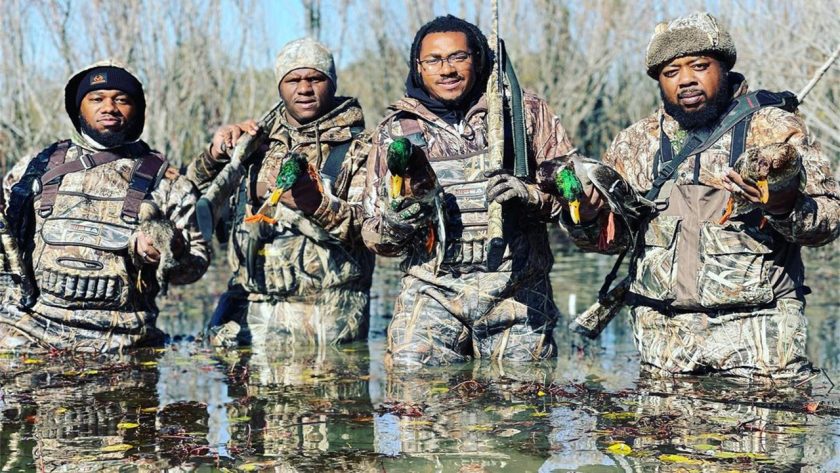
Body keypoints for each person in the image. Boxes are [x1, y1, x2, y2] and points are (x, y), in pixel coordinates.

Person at [562, 12, 840, 381]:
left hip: (760, 336)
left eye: (699, 65)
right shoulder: (635, 141)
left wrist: (782, 206)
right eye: (670, 72)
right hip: (663, 339)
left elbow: (828, 222)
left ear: (723, 67)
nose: (686, 80)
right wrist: (585, 216)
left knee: (768, 437)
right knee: (658, 436)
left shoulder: (774, 127)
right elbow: (609, 243)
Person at [362, 15, 576, 366]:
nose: (446, 69)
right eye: (434, 60)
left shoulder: (523, 113)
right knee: (419, 403)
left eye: (458, 57)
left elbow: (577, 207)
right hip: (431, 294)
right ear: (418, 66)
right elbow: (373, 237)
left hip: (517, 291)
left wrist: (532, 196)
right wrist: (397, 222)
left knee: (523, 410)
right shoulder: (394, 131)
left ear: (478, 58)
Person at [0, 60, 210, 353]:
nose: (109, 107)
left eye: (121, 100)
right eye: (96, 98)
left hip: (122, 344)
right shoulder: (37, 166)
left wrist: (167, 253)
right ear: (79, 109)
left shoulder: (166, 180)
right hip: (28, 337)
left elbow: (196, 265)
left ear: (137, 110)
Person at [187, 38, 374, 347]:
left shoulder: (361, 148)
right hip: (249, 313)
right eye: (293, 80)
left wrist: (316, 204)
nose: (304, 88)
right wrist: (216, 154)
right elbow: (190, 191)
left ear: (332, 83)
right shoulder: (255, 143)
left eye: (315, 78)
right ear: (279, 86)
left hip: (327, 319)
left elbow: (373, 231)